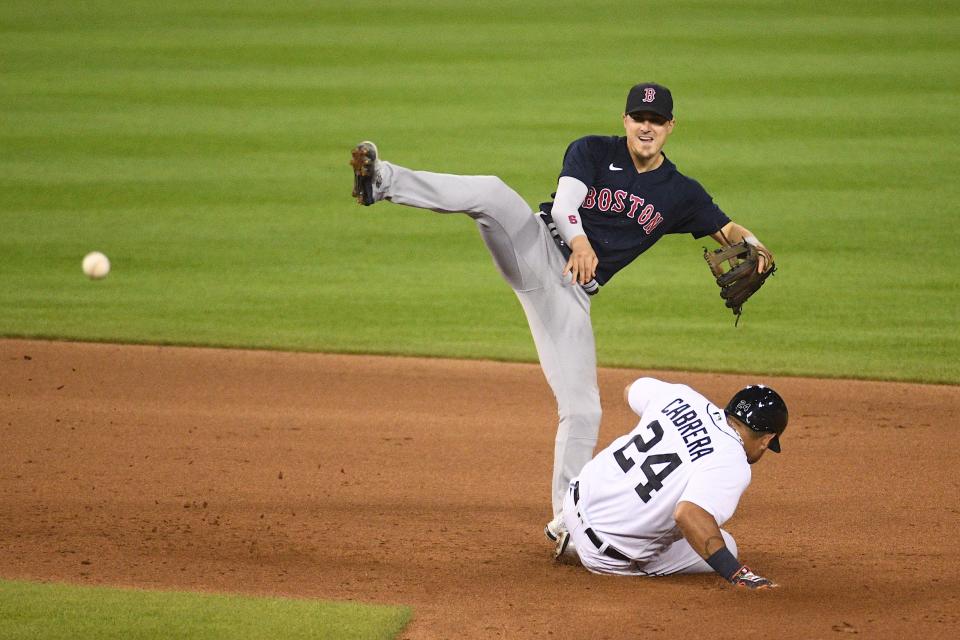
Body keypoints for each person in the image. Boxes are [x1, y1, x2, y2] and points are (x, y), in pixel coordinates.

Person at [349, 82, 775, 541]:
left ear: (670, 126)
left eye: (655, 120)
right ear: (625, 120)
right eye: (638, 118)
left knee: (584, 408)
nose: (646, 127)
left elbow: (725, 227)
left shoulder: (680, 193)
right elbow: (566, 204)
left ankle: (566, 523)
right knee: (492, 194)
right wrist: (580, 241)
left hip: (570, 294)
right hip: (532, 245)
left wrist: (756, 247)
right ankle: (381, 182)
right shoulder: (591, 151)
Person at [553, 376, 787, 589]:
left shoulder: (682, 396)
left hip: (573, 502)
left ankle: (570, 532)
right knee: (726, 543)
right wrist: (737, 573)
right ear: (767, 439)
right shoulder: (733, 461)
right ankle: (581, 549)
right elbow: (688, 514)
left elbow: (630, 389)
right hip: (603, 556)